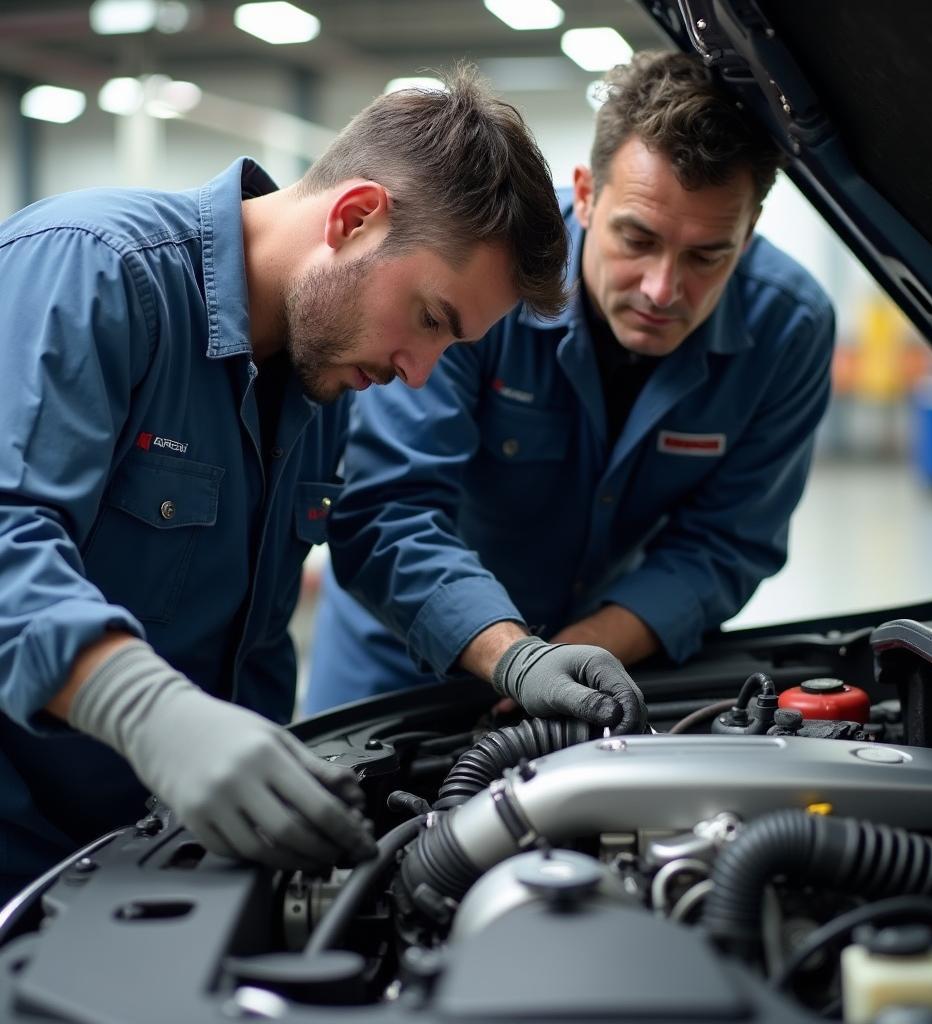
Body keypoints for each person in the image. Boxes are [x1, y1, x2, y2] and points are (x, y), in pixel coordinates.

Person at [0, 66, 641, 905]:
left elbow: (377, 528)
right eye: (430, 320)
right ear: (354, 217)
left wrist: (514, 656)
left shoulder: (317, 373)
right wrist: (149, 711)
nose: (418, 374)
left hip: (155, 854)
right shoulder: (94, 272)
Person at [304, 50, 836, 715]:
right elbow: (391, 508)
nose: (662, 288)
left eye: (707, 255)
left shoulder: (788, 329)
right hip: (398, 664)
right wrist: (516, 658)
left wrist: (579, 651)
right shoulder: (483, 282)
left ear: (749, 233)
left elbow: (726, 544)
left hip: (597, 660)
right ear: (585, 195)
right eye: (637, 239)